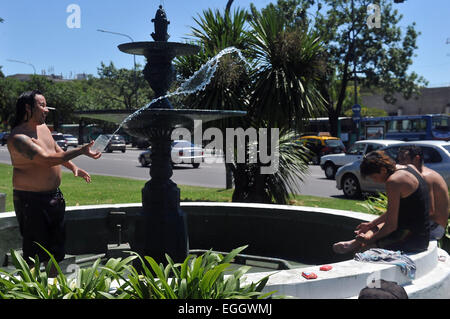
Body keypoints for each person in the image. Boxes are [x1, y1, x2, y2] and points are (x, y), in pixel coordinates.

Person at [7, 90, 101, 266]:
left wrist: (74, 167)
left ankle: (53, 288)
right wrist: (80, 151)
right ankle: (31, 290)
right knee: (34, 253)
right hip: (31, 202)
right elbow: (46, 160)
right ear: (28, 108)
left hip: (54, 197)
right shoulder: (18, 138)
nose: (47, 110)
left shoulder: (43, 129)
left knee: (56, 253)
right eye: (42, 105)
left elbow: (56, 150)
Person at [333, 150, 430, 254]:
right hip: (418, 232)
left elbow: (391, 225)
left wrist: (370, 240)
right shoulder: (409, 168)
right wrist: (371, 224)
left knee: (365, 250)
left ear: (383, 170)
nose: (375, 181)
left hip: (414, 240)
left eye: (374, 177)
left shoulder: (393, 182)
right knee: (375, 228)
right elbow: (395, 212)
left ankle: (356, 244)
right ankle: (354, 242)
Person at [397, 145, 449, 240]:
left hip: (435, 227)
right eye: (399, 159)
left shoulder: (424, 176)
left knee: (392, 234)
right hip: (429, 224)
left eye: (403, 159)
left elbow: (429, 211)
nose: (400, 163)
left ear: (416, 159)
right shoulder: (419, 174)